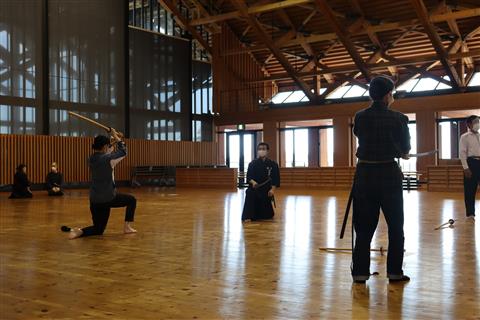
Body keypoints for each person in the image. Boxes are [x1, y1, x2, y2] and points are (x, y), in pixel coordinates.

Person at [352, 75, 411, 283]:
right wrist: (400, 152)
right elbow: (405, 148)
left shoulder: (359, 116)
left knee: (364, 227)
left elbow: (360, 135)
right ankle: (394, 272)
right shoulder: (400, 118)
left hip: (365, 174)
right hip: (389, 175)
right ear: (388, 96)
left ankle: (359, 272)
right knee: (396, 226)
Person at [64, 129, 137, 239]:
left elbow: (107, 151)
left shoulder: (91, 159)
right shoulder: (108, 160)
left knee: (98, 229)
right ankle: (127, 227)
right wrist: (116, 138)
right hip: (108, 198)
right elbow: (123, 151)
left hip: (94, 200)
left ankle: (79, 231)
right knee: (131, 200)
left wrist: (115, 138)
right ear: (104, 146)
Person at [241, 142, 280, 221]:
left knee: (267, 215)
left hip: (266, 189)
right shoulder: (252, 163)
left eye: (263, 149)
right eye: (260, 149)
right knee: (249, 192)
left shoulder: (273, 164)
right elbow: (249, 176)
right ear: (257, 151)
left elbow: (275, 178)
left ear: (267, 151)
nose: (261, 151)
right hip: (255, 188)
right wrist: (253, 182)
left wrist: (272, 190)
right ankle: (248, 215)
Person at [459, 115, 480, 222]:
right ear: (469, 124)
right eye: (475, 122)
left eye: (479, 121)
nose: (478, 124)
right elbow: (462, 153)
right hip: (471, 163)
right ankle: (470, 213)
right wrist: (465, 168)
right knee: (470, 190)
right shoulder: (465, 137)